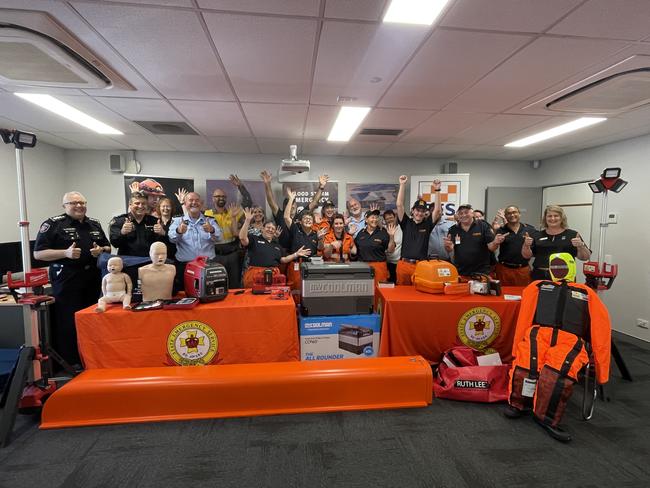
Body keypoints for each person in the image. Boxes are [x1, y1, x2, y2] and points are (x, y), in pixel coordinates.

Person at [34, 191, 111, 366]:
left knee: (93, 318)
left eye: (82, 202)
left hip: (93, 277)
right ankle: (72, 362)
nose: (79, 206)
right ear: (64, 206)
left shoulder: (94, 224)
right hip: (67, 279)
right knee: (69, 321)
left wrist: (101, 250)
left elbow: (107, 247)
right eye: (73, 203)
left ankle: (93, 358)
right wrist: (65, 253)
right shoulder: (53, 224)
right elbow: (38, 253)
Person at [239, 208, 310, 288]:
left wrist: (296, 254)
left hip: (274, 276)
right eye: (268, 227)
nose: (270, 230)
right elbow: (242, 238)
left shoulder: (277, 245)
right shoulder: (254, 239)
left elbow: (283, 259)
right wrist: (247, 221)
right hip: (255, 275)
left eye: (273, 229)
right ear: (262, 229)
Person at [204, 174, 252, 288]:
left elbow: (248, 202)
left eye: (223, 196)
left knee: (234, 284)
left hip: (232, 254)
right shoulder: (206, 214)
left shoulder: (233, 212)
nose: (221, 198)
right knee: (216, 284)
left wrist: (240, 186)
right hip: (214, 254)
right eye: (217, 196)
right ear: (213, 198)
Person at [168, 192, 223, 289]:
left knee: (208, 295)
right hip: (185, 266)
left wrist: (212, 230)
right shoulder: (178, 220)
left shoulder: (210, 220)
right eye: (191, 200)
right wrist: (179, 231)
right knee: (184, 296)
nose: (194, 203)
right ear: (185, 203)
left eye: (197, 200)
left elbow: (219, 238)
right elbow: (171, 239)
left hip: (208, 266)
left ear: (201, 203)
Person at [522, 205, 591, 281]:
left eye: (556, 216)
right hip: (540, 276)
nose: (552, 218)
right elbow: (526, 256)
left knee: (564, 293)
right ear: (545, 218)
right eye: (549, 216)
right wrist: (526, 245)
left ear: (562, 218)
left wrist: (581, 246)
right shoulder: (537, 235)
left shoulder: (572, 235)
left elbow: (585, 257)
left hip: (564, 277)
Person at [395, 175, 441, 285]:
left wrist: (437, 190)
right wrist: (402, 185)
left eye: (422, 211)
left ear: (425, 212)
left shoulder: (428, 224)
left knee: (419, 295)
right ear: (412, 210)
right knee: (402, 296)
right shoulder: (406, 222)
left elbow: (437, 210)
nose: (419, 213)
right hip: (404, 265)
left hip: (421, 266)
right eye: (417, 210)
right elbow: (399, 205)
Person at [284, 189, 326, 295]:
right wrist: (291, 199)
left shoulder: (316, 233)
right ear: (300, 221)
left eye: (310, 219)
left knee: (310, 292)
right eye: (305, 218)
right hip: (296, 265)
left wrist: (321, 238)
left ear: (313, 222)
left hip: (311, 266)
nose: (308, 220)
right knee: (294, 291)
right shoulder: (296, 230)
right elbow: (286, 217)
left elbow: (321, 248)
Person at [444, 204, 499, 278]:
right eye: (460, 213)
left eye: (466, 212)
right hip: (461, 272)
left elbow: (491, 247)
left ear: (472, 214)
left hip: (481, 272)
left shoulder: (483, 226)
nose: (463, 215)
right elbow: (450, 249)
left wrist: (495, 242)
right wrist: (448, 247)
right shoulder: (453, 229)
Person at [109, 191, 165, 257]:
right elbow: (115, 244)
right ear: (130, 205)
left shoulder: (154, 221)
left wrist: (163, 233)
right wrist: (122, 233)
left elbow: (163, 244)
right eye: (137, 203)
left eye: (143, 203)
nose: (140, 206)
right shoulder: (119, 221)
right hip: (128, 263)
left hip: (148, 262)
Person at [494, 205, 536, 286]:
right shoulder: (501, 230)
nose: (512, 215)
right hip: (504, 269)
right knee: (503, 295)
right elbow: (493, 247)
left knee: (523, 295)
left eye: (514, 212)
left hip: (522, 270)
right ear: (505, 216)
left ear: (519, 214)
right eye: (509, 213)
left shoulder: (530, 229)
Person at [355, 209, 396, 285]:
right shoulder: (360, 233)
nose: (375, 219)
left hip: (379, 267)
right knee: (364, 291)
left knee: (380, 292)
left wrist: (391, 236)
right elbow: (355, 250)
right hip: (363, 267)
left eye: (376, 217)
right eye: (372, 217)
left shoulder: (383, 233)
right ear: (366, 220)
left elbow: (391, 250)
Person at [383, 209, 402, 283]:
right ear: (384, 220)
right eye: (387, 219)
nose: (389, 220)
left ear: (395, 217)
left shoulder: (401, 228)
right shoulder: (383, 229)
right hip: (386, 263)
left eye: (391, 217)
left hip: (398, 263)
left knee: (397, 285)